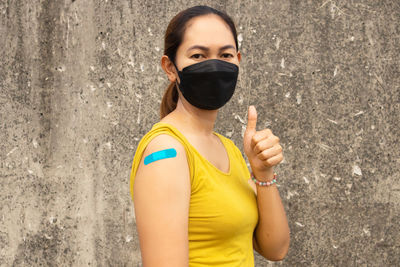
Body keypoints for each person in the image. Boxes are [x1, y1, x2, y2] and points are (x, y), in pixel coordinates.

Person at [129, 5, 290, 267]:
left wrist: (263, 173)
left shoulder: (228, 149)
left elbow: (276, 247)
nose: (214, 66)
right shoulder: (166, 152)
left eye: (225, 55)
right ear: (170, 68)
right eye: (198, 56)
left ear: (238, 60)